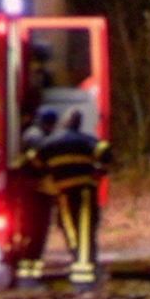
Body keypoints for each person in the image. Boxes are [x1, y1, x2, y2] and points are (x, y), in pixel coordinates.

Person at [31, 108, 112, 289]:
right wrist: (101, 170)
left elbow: (34, 162)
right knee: (86, 229)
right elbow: (105, 151)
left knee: (70, 228)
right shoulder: (87, 140)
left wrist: (47, 176)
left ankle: (80, 263)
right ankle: (87, 269)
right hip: (85, 191)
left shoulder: (49, 143)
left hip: (64, 192)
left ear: (64, 122)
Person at [11, 108, 60, 288]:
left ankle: (29, 276)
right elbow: (39, 162)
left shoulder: (33, 134)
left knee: (34, 235)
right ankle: (28, 278)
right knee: (35, 235)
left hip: (35, 193)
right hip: (35, 194)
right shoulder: (35, 137)